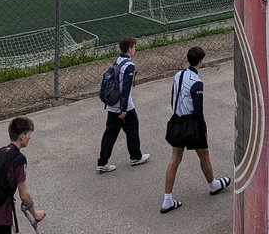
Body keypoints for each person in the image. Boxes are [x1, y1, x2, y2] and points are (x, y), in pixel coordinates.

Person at [160, 46, 231, 214]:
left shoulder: (178, 75)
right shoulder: (197, 82)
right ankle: (213, 185)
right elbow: (198, 109)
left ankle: (167, 199)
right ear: (201, 61)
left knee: (175, 158)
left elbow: (173, 96)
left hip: (177, 120)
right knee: (204, 155)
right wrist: (202, 128)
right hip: (191, 124)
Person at [0, 116, 46, 234]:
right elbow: (24, 195)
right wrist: (35, 214)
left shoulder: (0, 152)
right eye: (29, 134)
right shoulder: (19, 160)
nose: (30, 138)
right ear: (22, 137)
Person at [97, 36, 150, 173]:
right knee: (132, 129)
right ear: (130, 49)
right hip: (124, 107)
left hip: (112, 105)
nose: (135, 49)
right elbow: (125, 89)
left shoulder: (118, 60)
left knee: (110, 133)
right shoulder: (129, 65)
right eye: (134, 47)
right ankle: (136, 157)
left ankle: (102, 162)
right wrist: (124, 108)